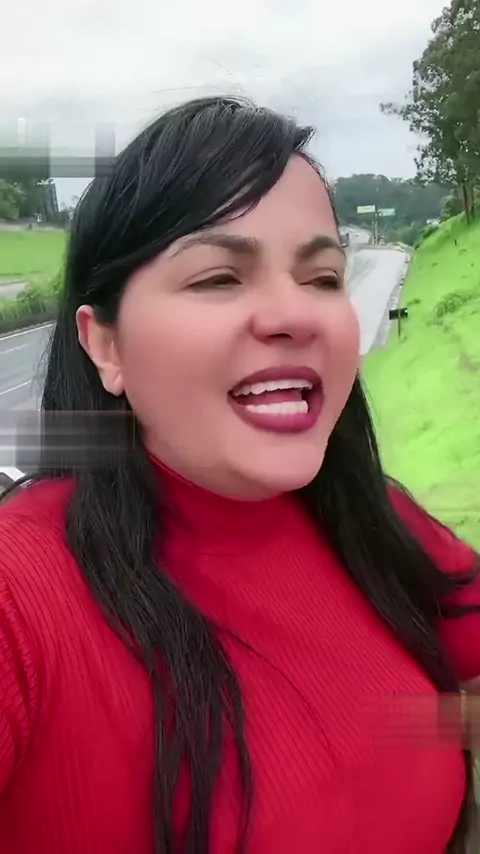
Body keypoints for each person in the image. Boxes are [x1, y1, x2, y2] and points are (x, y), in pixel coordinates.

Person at [0, 95, 479, 854]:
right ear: (106, 346)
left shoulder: (379, 524)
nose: (297, 315)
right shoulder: (23, 596)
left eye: (323, 277)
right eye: (220, 277)